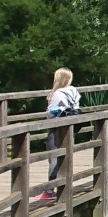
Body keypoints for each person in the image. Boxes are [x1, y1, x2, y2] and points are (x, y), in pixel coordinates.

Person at [37, 68, 81, 199]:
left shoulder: (58, 94)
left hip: (56, 129)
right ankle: (66, 186)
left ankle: (50, 190)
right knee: (66, 157)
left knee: (53, 158)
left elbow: (51, 113)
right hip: (69, 129)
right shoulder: (74, 92)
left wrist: (49, 110)